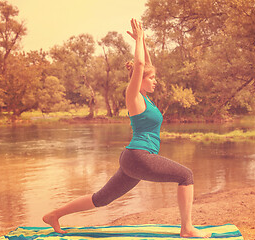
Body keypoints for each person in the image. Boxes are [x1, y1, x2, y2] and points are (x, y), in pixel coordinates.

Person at [43, 18, 211, 238]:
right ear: (138, 79)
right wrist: (139, 40)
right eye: (151, 78)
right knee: (186, 176)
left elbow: (146, 64)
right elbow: (141, 67)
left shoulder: (146, 99)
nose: (155, 81)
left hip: (133, 159)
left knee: (101, 199)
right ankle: (187, 228)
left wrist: (143, 43)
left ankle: (54, 215)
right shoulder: (133, 96)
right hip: (139, 157)